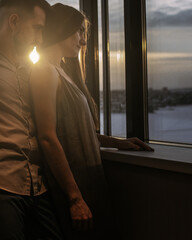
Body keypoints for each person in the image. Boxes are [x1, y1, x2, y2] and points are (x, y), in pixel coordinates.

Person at [30, 3, 153, 239]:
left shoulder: (59, 72)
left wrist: (118, 142)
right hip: (74, 185)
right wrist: (75, 198)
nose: (83, 41)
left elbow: (74, 131)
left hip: (87, 181)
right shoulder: (44, 72)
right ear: (62, 29)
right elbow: (48, 137)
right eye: (79, 32)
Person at [0, 0, 64, 239]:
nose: (40, 38)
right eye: (37, 28)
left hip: (38, 186)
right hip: (4, 189)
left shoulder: (31, 70)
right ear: (14, 22)